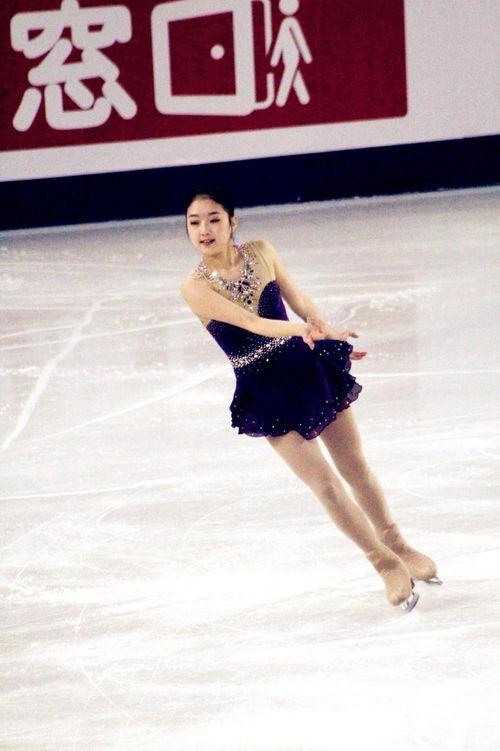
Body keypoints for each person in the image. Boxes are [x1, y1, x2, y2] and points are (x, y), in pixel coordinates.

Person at [180, 187, 442, 612]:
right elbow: (250, 322)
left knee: (354, 467)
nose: (204, 230)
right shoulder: (193, 287)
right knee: (326, 485)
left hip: (307, 370)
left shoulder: (262, 251)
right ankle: (384, 564)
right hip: (265, 390)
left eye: (213, 219)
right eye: (194, 222)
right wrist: (301, 331)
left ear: (232, 222)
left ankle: (398, 545)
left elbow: (298, 300)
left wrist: (321, 326)